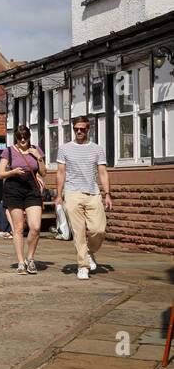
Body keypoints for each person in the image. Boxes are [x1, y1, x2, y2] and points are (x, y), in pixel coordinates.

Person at [54, 116, 112, 280]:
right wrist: (59, 195)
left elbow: (102, 172)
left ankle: (89, 252)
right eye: (76, 129)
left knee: (98, 230)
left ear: (88, 129)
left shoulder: (97, 149)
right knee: (78, 232)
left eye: (82, 129)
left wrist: (107, 193)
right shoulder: (64, 149)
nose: (79, 131)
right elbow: (60, 173)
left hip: (93, 193)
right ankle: (83, 266)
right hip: (72, 193)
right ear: (73, 129)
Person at [0, 126, 46, 275]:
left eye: (25, 137)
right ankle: (20, 262)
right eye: (20, 137)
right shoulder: (9, 151)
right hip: (14, 188)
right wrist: (13, 171)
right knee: (18, 228)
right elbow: (0, 174)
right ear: (16, 138)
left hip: (32, 189)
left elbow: (43, 173)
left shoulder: (35, 149)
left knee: (35, 227)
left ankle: (30, 258)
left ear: (29, 136)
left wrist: (39, 157)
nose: (23, 140)